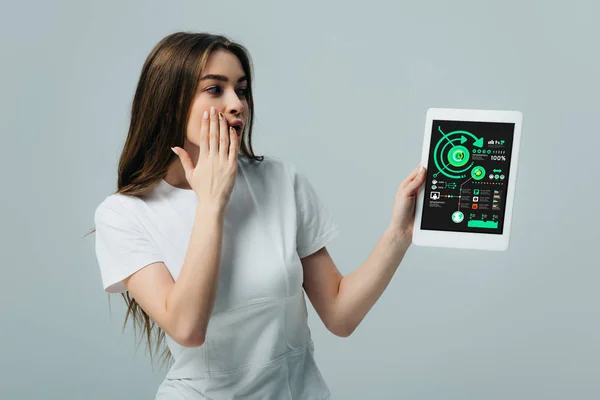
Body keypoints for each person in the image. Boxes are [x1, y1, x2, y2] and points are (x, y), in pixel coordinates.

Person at [93, 31, 427, 399]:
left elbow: (340, 314)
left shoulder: (281, 180)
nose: (237, 104)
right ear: (170, 103)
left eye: (242, 89)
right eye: (215, 89)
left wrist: (400, 233)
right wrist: (211, 202)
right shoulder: (123, 215)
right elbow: (186, 327)